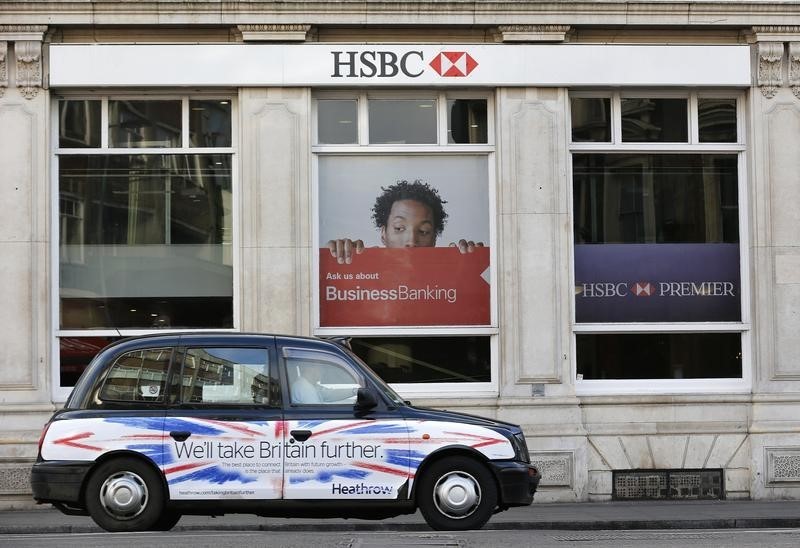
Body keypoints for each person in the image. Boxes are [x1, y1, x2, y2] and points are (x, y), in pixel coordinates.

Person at [326, 179, 483, 264]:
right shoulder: (361, 273)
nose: (411, 242)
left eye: (423, 231)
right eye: (400, 228)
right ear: (383, 233)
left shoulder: (451, 276)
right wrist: (334, 260)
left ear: (434, 238)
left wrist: (470, 266)